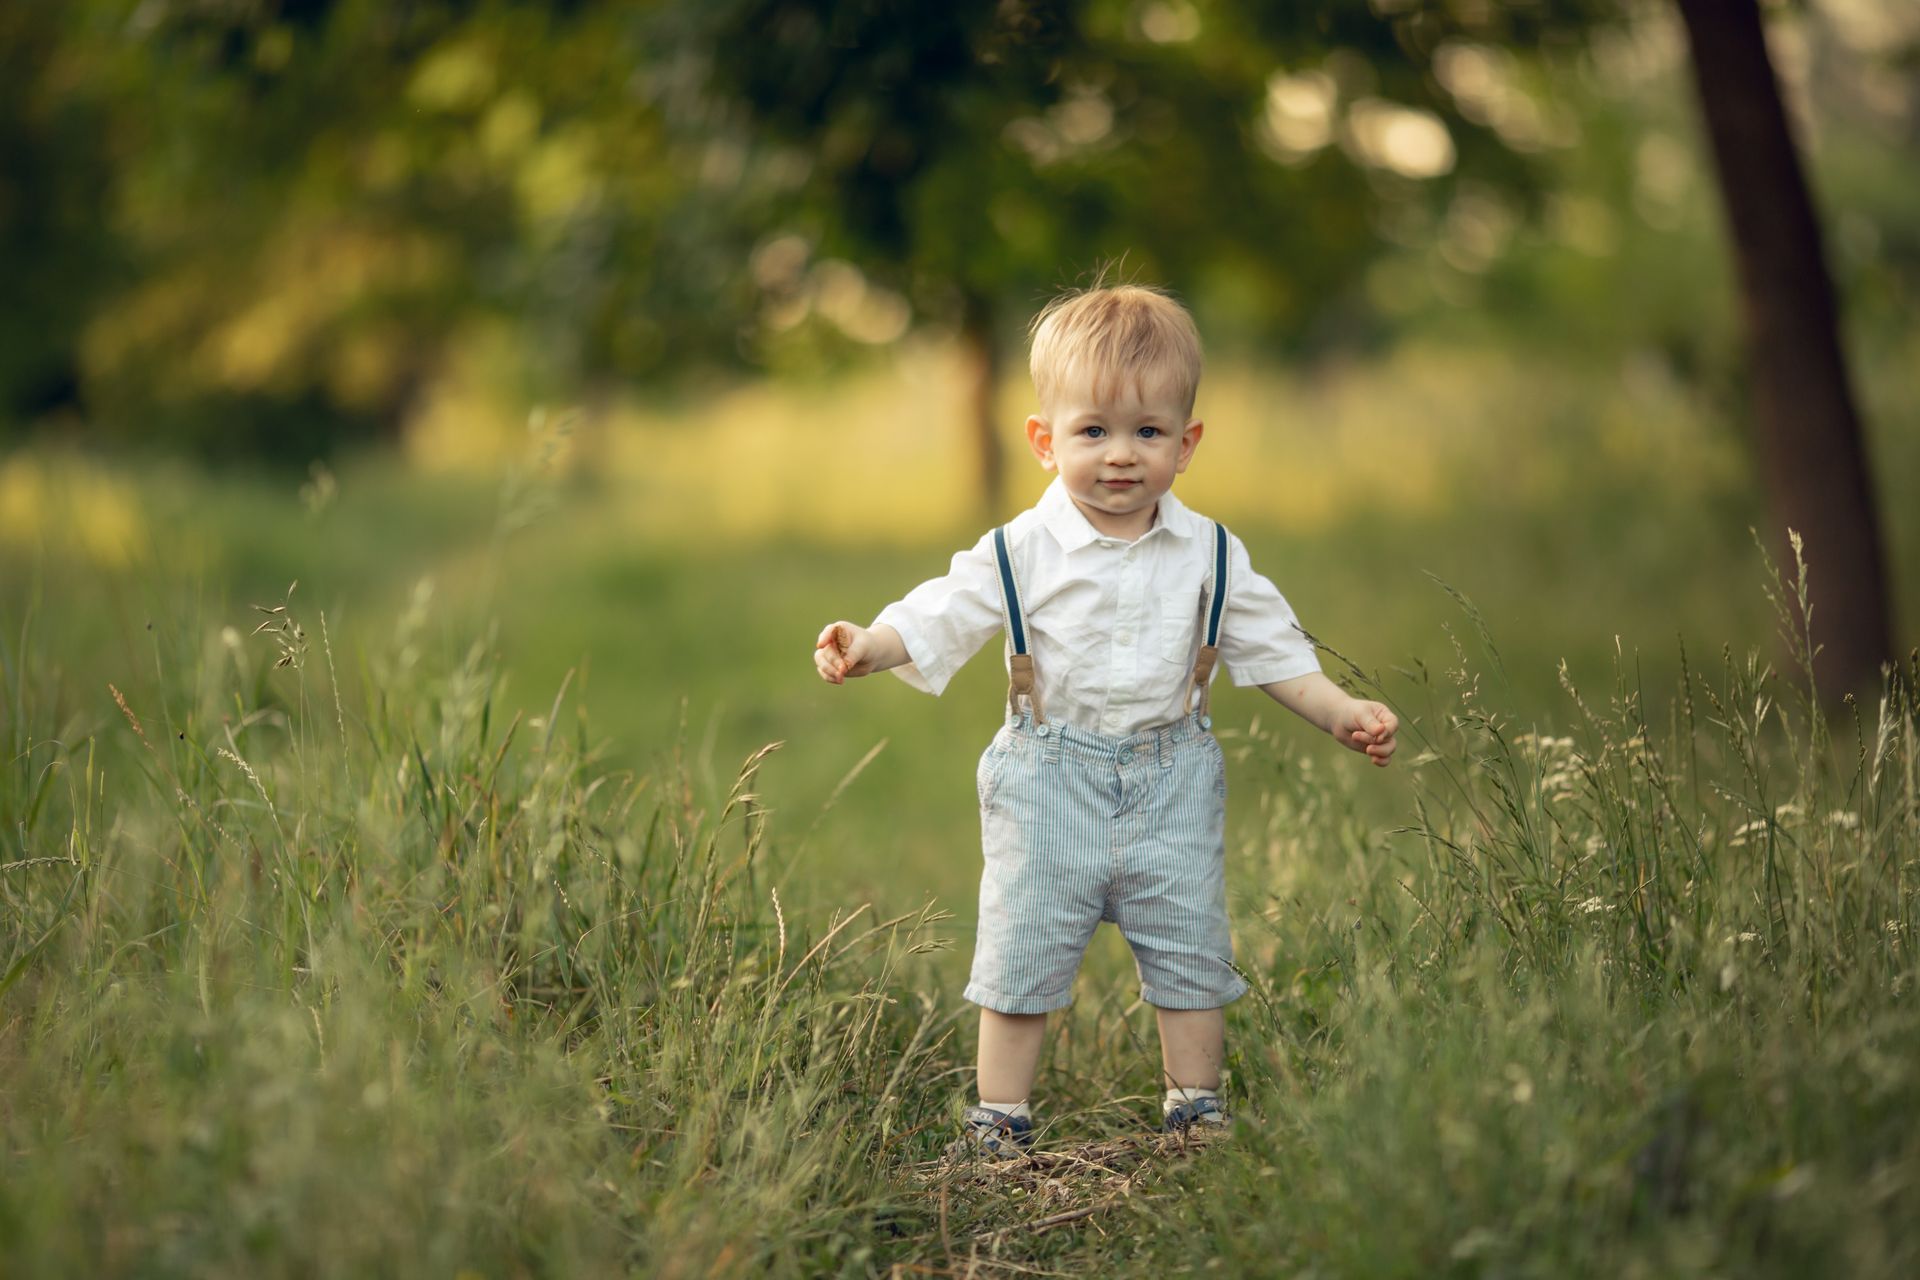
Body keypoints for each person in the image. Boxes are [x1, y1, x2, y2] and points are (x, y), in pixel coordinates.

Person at [811, 282, 1398, 1159]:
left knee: (1191, 947)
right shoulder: (1020, 550)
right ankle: (1000, 1119)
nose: (1121, 456)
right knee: (1023, 947)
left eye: (1148, 433)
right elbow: (944, 611)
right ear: (1046, 442)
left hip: (1172, 775)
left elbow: (1276, 651)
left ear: (1186, 443)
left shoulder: (1211, 555)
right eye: (1094, 431)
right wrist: (870, 642)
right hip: (1049, 775)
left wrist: (1343, 711)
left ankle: (1195, 1108)